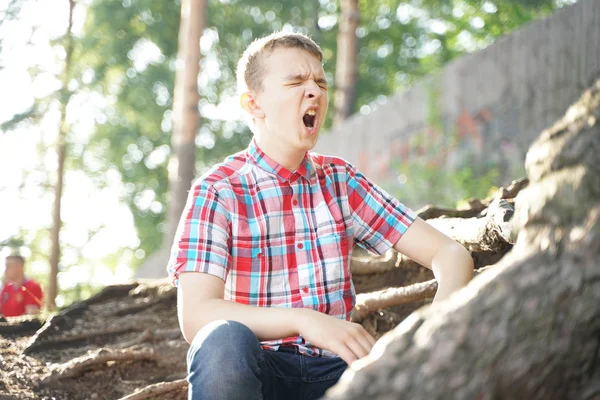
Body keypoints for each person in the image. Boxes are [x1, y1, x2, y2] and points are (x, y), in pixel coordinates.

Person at [167, 31, 474, 400]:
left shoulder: (341, 181)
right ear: (253, 104)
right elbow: (197, 316)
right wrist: (303, 319)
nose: (314, 90)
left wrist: (425, 344)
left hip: (340, 373)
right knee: (223, 339)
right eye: (296, 81)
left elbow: (450, 254)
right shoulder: (217, 190)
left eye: (320, 82)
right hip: (260, 372)